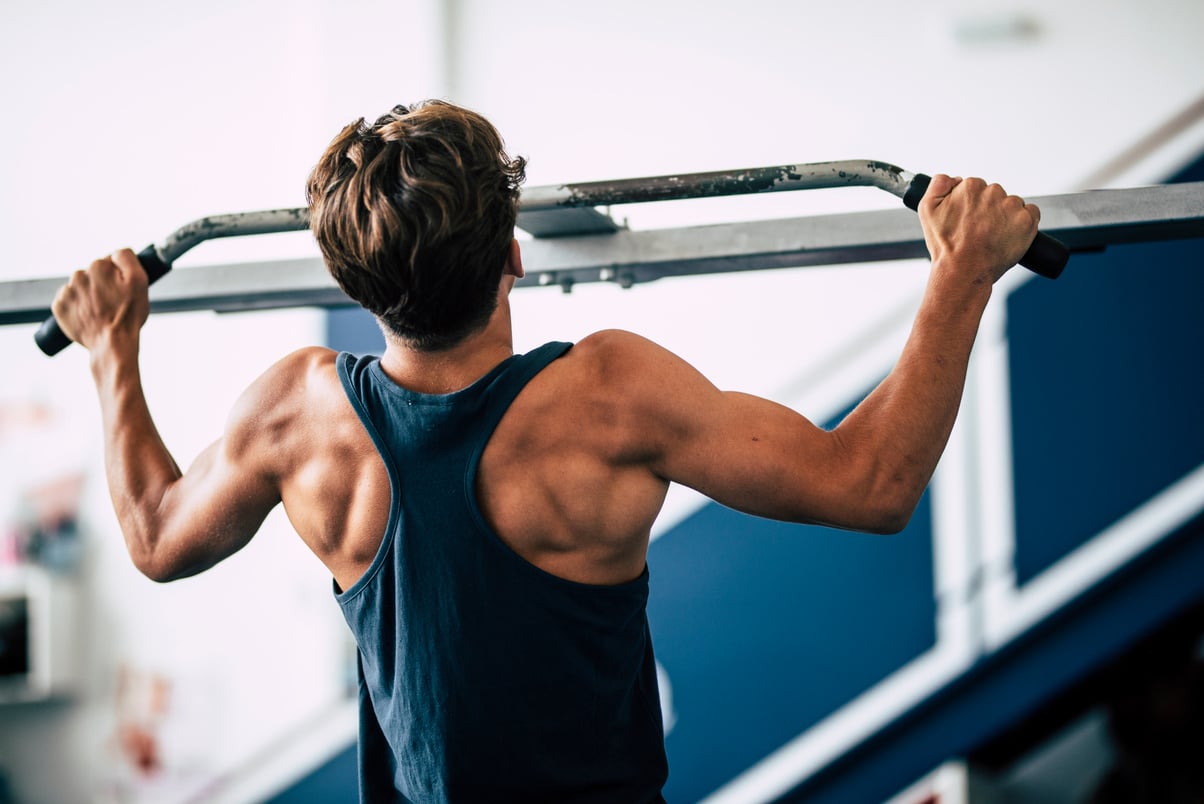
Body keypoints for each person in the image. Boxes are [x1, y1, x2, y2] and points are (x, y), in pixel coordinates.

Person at [51, 100, 1041, 803]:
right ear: (512, 256)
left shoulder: (295, 418)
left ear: (359, 290)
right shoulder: (606, 397)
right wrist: (961, 272)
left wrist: (110, 349)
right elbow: (871, 485)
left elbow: (153, 537)